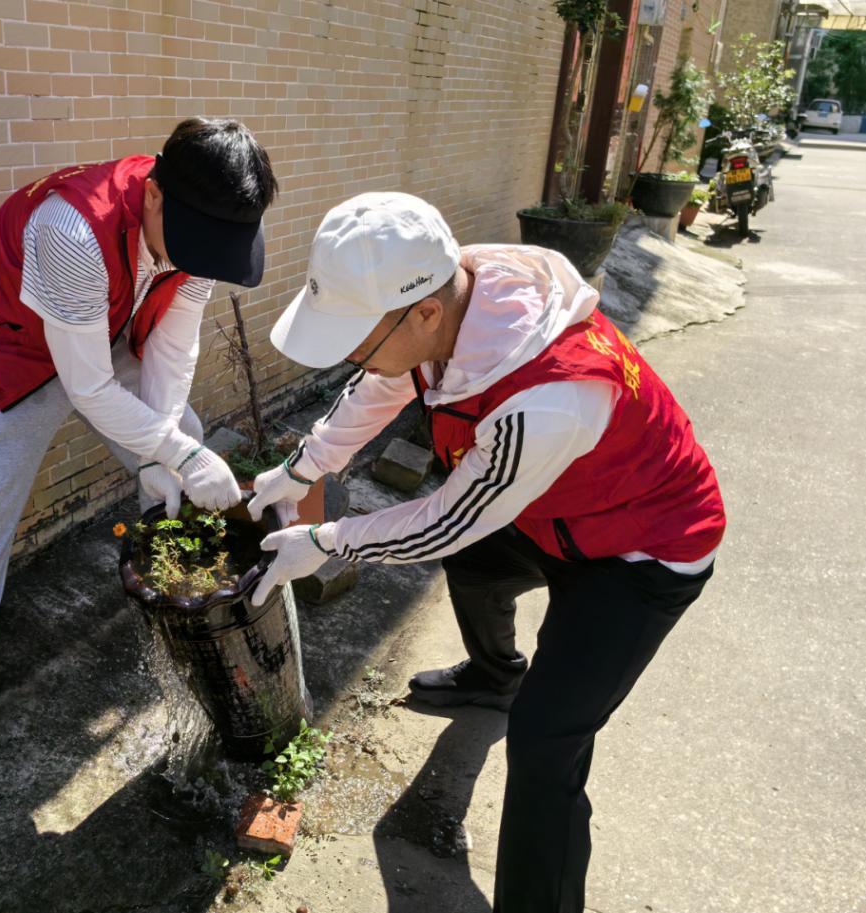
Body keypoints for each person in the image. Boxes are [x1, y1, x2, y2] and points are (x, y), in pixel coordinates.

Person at [247, 192, 725, 912]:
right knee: (475, 567)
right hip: (554, 509)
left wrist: (325, 540)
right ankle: (494, 673)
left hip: (642, 549)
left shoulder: (549, 398)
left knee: (543, 744)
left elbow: (445, 520)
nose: (349, 352)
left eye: (355, 335)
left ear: (424, 315)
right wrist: (302, 467)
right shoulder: (458, 291)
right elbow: (381, 384)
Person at [0, 118, 278, 760]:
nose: (199, 262)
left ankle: (183, 601)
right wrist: (179, 453)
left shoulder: (199, 227)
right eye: (194, 246)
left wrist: (168, 448)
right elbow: (86, 387)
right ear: (155, 196)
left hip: (96, 327)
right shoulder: (70, 230)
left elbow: (173, 341)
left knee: (180, 438)